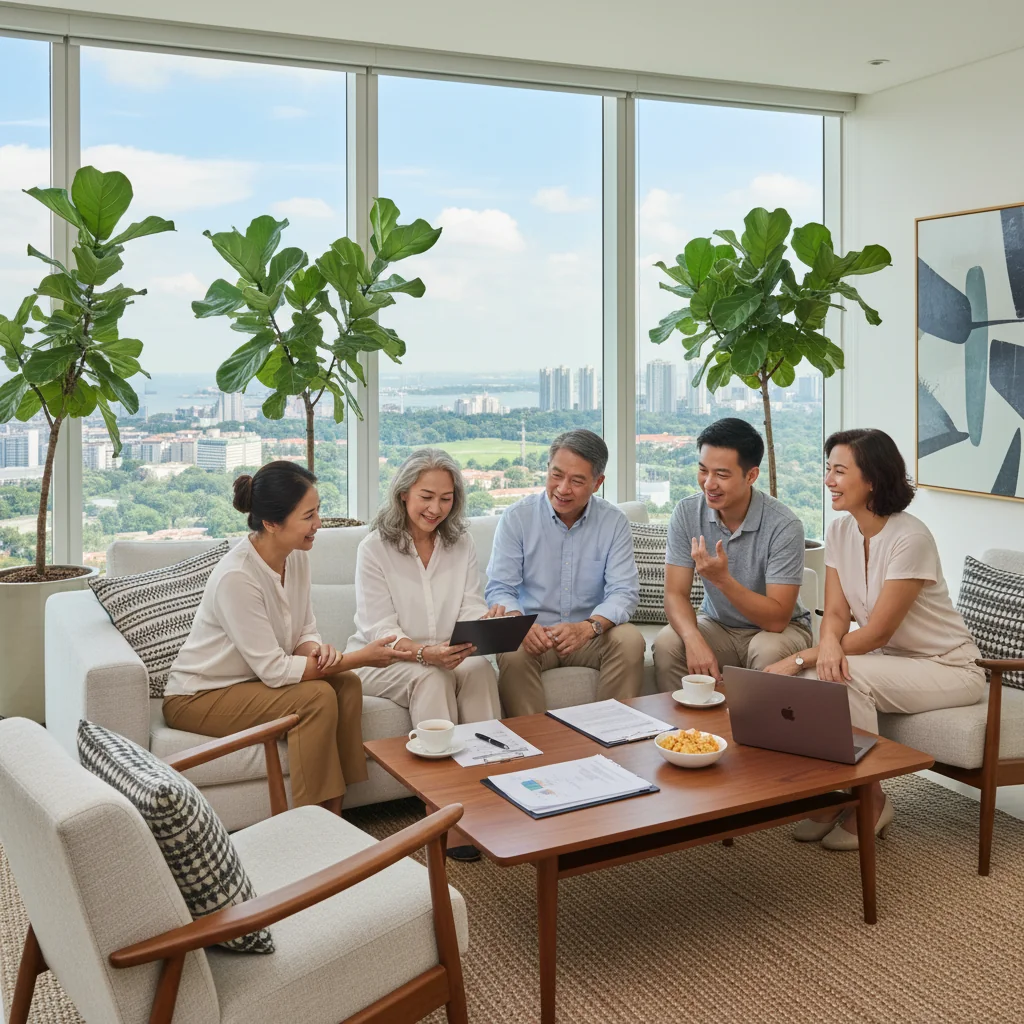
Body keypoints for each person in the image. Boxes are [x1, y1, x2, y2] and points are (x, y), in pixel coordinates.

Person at [765, 428, 985, 850]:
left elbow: (878, 631)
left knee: (840, 677)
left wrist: (801, 657)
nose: (828, 480)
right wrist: (827, 646)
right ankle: (834, 792)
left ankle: (871, 799)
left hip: (948, 666)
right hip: (892, 659)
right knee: (818, 678)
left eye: (839, 471)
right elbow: (835, 613)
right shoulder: (840, 531)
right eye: (828, 469)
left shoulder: (910, 538)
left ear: (872, 479)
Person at [164, 461, 411, 814]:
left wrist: (317, 651)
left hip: (252, 681)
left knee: (346, 684)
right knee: (316, 697)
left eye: (318, 511)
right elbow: (275, 670)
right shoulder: (237, 577)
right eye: (308, 516)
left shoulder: (295, 557)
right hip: (199, 695)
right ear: (271, 523)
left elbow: (304, 629)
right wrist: (361, 657)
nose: (318, 523)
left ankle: (337, 810)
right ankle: (313, 819)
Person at [487, 429, 645, 717]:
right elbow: (500, 588)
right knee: (512, 648)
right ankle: (534, 739)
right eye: (556, 475)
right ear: (548, 468)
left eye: (577, 481)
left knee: (630, 640)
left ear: (597, 483)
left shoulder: (614, 522)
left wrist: (588, 627)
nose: (562, 489)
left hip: (590, 635)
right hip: (534, 634)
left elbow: (623, 592)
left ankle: (613, 734)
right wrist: (519, 623)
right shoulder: (517, 517)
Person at [653, 418, 812, 693]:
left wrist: (723, 580)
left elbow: (776, 620)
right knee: (669, 643)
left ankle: (751, 723)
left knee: (768, 649)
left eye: (722, 475)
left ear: (751, 476)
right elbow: (674, 594)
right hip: (717, 625)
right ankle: (688, 721)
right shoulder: (687, 512)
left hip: (778, 631)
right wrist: (693, 639)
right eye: (703, 470)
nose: (708, 484)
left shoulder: (784, 525)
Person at [348, 447, 503, 729]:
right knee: (432, 676)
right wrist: (423, 653)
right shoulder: (374, 548)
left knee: (480, 668)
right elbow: (381, 629)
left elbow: (470, 604)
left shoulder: (462, 542)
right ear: (403, 493)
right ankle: (440, 758)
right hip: (385, 660)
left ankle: (491, 753)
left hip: (446, 654)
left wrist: (485, 623)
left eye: (446, 499)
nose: (436, 509)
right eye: (426, 497)